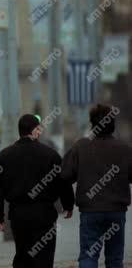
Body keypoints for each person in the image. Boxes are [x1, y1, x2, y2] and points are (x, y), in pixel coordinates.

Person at [0, 114, 75, 268]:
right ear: (35, 130)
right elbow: (63, 182)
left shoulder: (4, 156)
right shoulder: (51, 155)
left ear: (20, 131)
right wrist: (68, 205)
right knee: (44, 256)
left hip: (18, 215)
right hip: (44, 214)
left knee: (23, 256)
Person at [62, 104, 132, 268]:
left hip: (90, 212)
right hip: (116, 211)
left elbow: (64, 175)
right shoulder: (124, 148)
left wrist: (68, 204)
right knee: (115, 258)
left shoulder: (80, 146)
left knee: (88, 255)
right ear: (112, 125)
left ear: (92, 124)